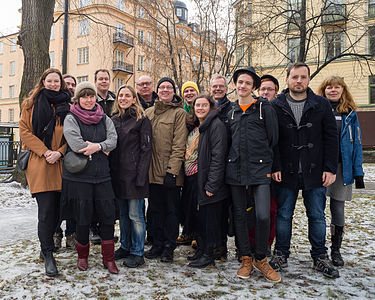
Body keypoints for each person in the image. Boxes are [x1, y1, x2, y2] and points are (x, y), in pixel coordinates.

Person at [270, 62, 339, 278]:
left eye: (303, 77)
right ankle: (280, 254)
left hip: (316, 171)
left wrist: (330, 168)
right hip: (286, 171)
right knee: (283, 215)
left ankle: (320, 256)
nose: (298, 81)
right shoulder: (276, 104)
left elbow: (331, 138)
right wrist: (276, 166)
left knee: (317, 216)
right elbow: (272, 140)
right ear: (287, 79)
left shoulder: (321, 104)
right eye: (294, 77)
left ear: (308, 79)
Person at [226, 66, 280, 282]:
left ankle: (261, 257)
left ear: (254, 87)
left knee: (263, 214)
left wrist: (271, 165)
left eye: (248, 83)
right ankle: (246, 257)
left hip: (260, 168)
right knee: (239, 214)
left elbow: (273, 139)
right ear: (236, 84)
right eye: (240, 82)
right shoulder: (230, 111)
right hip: (235, 168)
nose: (243, 86)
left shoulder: (264, 109)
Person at [61, 82, 118, 274]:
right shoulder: (71, 118)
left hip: (103, 176)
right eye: (84, 96)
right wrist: (103, 147)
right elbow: (76, 143)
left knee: (107, 217)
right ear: (78, 98)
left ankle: (109, 259)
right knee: (82, 218)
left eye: (91, 96)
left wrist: (97, 147)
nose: (88, 100)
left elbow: (113, 140)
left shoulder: (104, 118)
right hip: (80, 177)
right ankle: (82, 257)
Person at [19, 68, 71, 277]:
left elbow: (73, 134)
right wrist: (45, 151)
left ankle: (45, 245)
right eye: (49, 81)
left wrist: (59, 152)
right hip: (40, 163)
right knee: (46, 211)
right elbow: (24, 132)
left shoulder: (68, 106)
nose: (52, 84)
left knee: (59, 212)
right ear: (43, 82)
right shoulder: (30, 104)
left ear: (61, 84)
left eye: (56, 81)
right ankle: (49, 254)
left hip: (62, 163)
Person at [316, 75, 365, 266]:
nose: (333, 90)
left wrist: (358, 171)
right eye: (329, 87)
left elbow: (357, 144)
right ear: (324, 90)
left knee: (337, 208)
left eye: (337, 87)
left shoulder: (350, 114)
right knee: (317, 210)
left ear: (343, 90)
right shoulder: (317, 110)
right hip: (321, 168)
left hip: (341, 168)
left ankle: (336, 250)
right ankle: (319, 250)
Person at [144, 77, 188, 262]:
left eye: (169, 88)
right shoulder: (148, 112)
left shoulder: (179, 114)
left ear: (173, 91)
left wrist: (172, 171)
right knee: (155, 210)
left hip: (169, 173)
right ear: (157, 90)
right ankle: (157, 243)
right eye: (162, 87)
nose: (165, 90)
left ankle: (169, 246)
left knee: (171, 211)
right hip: (151, 172)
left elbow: (179, 145)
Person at [109, 85, 152, 268]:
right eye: (121, 95)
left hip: (135, 176)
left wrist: (141, 176)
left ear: (134, 99)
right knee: (124, 215)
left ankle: (137, 251)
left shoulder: (141, 120)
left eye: (128, 95)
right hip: (118, 175)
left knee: (136, 215)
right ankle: (125, 246)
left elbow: (146, 149)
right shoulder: (114, 120)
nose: (124, 98)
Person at [185, 93, 228, 268]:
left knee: (210, 219)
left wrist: (212, 184)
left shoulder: (216, 125)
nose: (200, 108)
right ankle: (201, 250)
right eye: (197, 106)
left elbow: (219, 157)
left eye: (204, 105)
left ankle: (209, 254)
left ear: (210, 107)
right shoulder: (200, 126)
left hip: (209, 181)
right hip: (196, 178)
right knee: (200, 217)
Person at [248, 74, 280, 255]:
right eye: (263, 89)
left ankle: (267, 243)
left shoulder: (277, 109)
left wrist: (277, 166)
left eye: (270, 89)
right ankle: (253, 243)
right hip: (254, 168)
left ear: (276, 91)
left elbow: (276, 141)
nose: (266, 92)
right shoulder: (255, 108)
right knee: (252, 209)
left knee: (270, 210)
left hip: (273, 168)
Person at [209, 74, 233, 260]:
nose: (217, 89)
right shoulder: (207, 107)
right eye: (214, 86)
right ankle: (210, 244)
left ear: (226, 88)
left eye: (221, 86)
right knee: (211, 209)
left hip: (227, 164)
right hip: (208, 165)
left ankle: (221, 247)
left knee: (224, 209)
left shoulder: (231, 109)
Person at [53, 74, 78, 250]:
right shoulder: (52, 106)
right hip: (53, 159)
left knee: (72, 200)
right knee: (55, 201)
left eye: (73, 84)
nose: (70, 86)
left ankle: (71, 234)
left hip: (72, 159)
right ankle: (55, 234)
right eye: (67, 83)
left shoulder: (76, 107)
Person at [177, 80, 200, 246]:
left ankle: (194, 234)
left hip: (196, 161)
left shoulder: (200, 109)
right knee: (185, 201)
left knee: (195, 201)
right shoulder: (180, 110)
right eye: (187, 91)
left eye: (192, 90)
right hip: (182, 160)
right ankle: (186, 231)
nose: (189, 93)